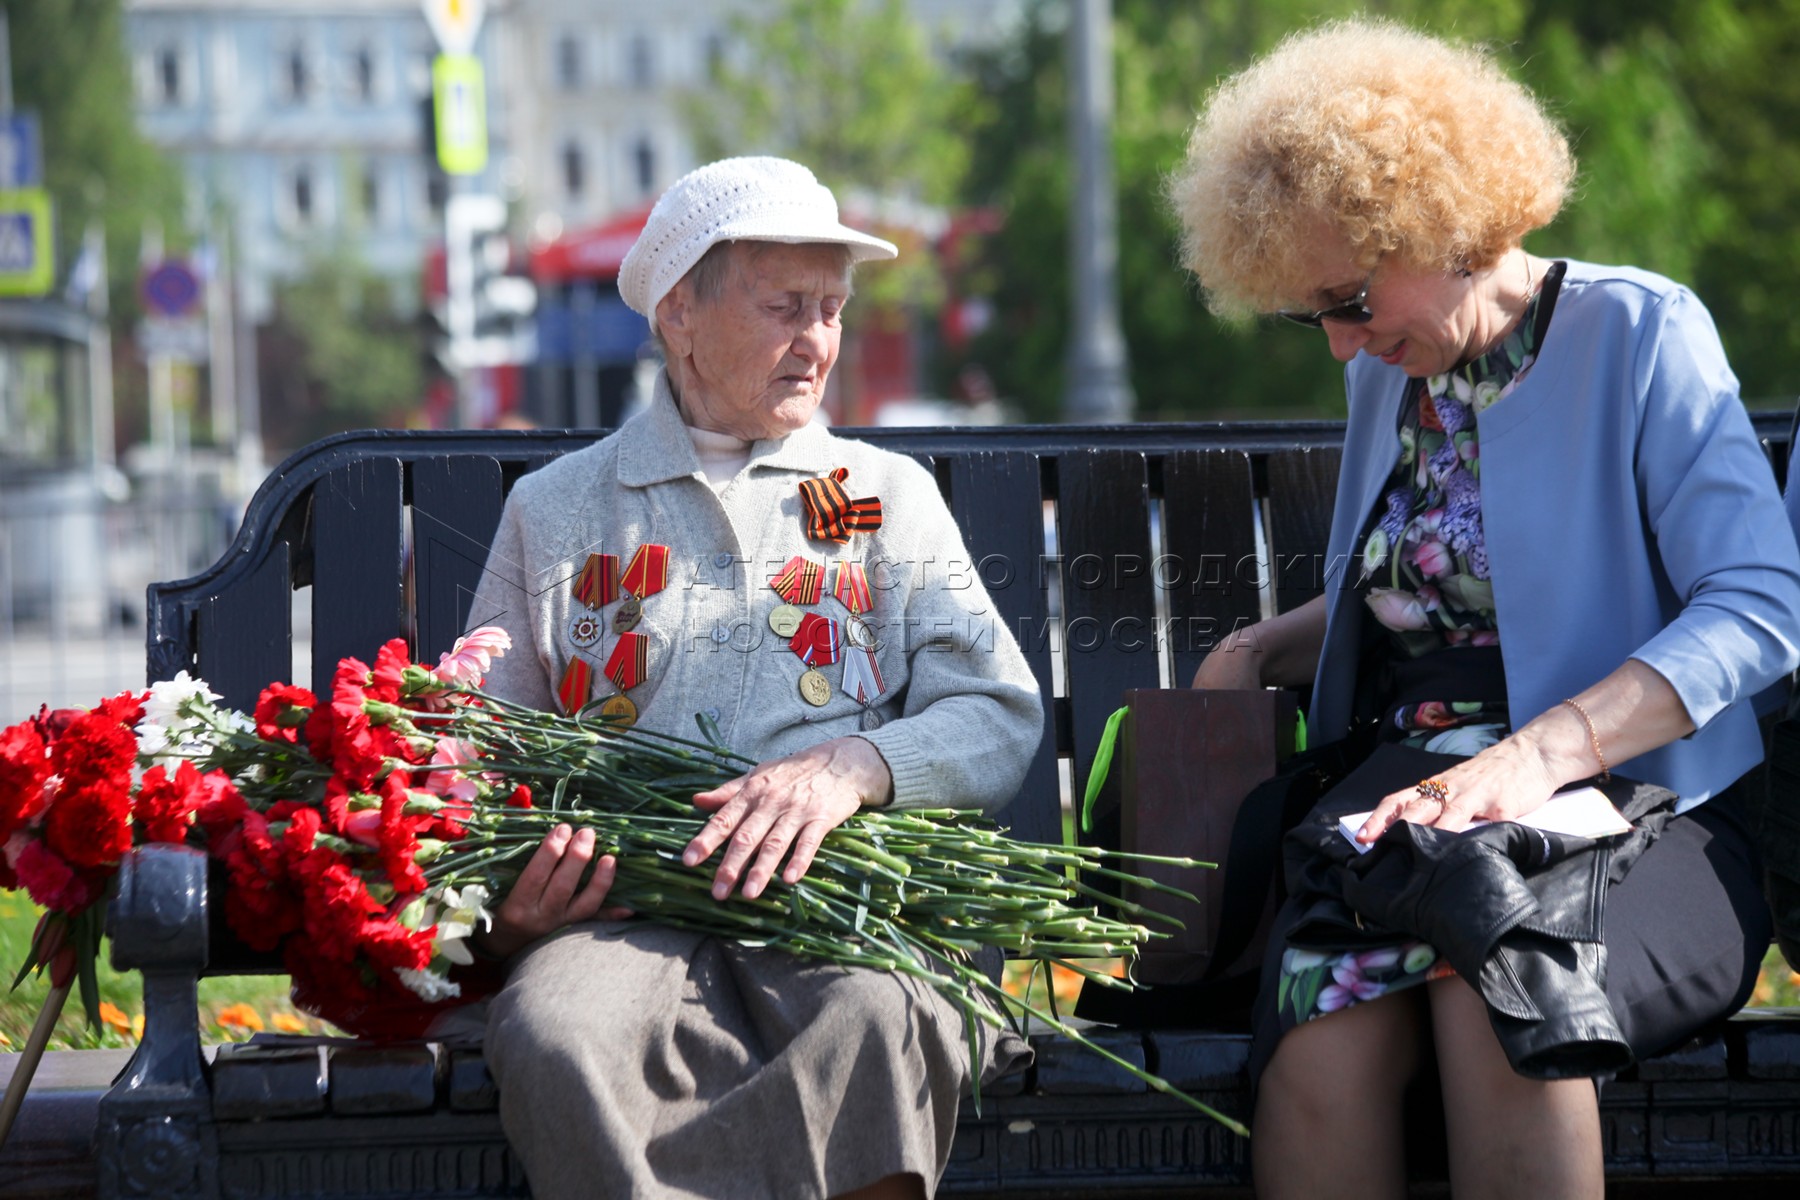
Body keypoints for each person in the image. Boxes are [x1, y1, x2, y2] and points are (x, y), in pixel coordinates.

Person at [1171, 19, 1800, 1200]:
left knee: (1499, 991)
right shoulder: (1389, 368)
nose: (1343, 345)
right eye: (1318, 315)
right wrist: (1263, 647)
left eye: (1352, 299)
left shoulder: (1641, 331)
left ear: (1447, 222)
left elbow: (1762, 605)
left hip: (1643, 806)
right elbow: (1426, 586)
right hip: (1412, 812)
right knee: (1318, 1040)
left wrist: (1541, 751)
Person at [459, 156, 1041, 1200]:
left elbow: (995, 710)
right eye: (784, 307)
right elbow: (485, 756)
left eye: (831, 309)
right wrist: (513, 911)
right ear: (679, 313)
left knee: (878, 1015)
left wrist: (853, 767)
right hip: (627, 919)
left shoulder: (879, 494)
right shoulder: (557, 510)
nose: (817, 339)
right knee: (557, 1032)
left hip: (838, 898)